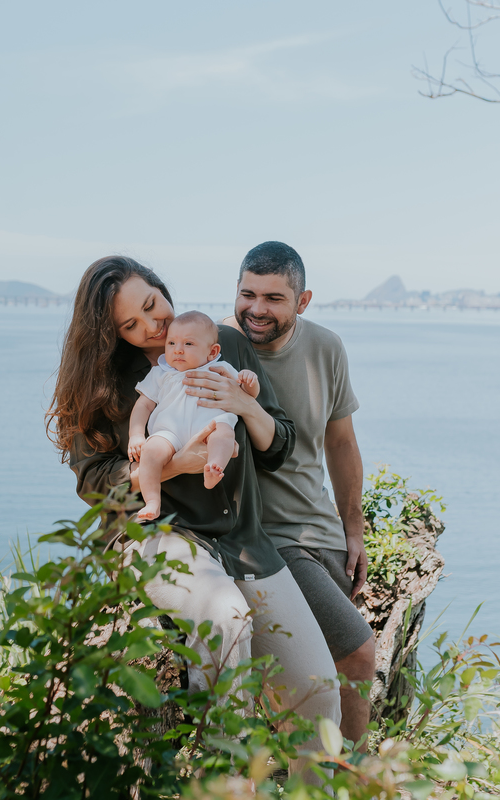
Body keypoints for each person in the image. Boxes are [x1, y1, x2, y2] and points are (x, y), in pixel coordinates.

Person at [47, 256, 341, 754]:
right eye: (130, 325)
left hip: (243, 541)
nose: (152, 326)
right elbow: (95, 482)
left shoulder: (226, 348)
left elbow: (279, 445)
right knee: (225, 619)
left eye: (151, 305)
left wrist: (243, 404)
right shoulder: (101, 386)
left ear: (162, 289)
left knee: (318, 692)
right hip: (156, 534)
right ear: (110, 334)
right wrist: (178, 464)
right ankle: (225, 775)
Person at [212, 241, 377, 745]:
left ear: (302, 302)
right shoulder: (215, 348)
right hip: (266, 537)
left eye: (274, 298)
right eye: (247, 294)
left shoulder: (325, 347)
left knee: (318, 669)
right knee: (358, 652)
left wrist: (354, 530)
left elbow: (341, 442)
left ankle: (316, 767)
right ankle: (353, 775)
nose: (256, 309)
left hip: (319, 531)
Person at [129, 310, 261, 520]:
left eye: (188, 344)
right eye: (171, 343)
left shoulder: (220, 369)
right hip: (169, 432)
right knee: (150, 454)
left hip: (210, 424)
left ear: (211, 351)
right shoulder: (161, 373)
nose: (178, 350)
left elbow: (248, 396)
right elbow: (143, 406)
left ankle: (214, 468)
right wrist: (136, 435)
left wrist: (249, 381)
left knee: (224, 433)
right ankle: (152, 501)